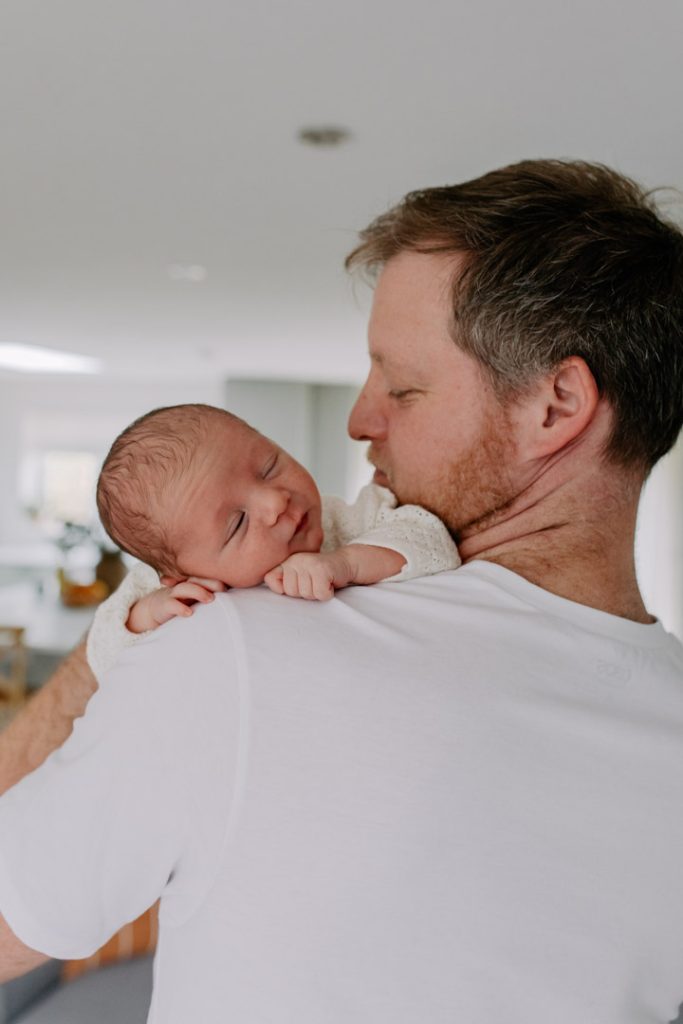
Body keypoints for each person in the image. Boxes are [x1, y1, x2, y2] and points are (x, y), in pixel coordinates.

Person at [1, 158, 683, 1023]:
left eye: (403, 386)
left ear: (555, 405)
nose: (362, 419)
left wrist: (121, 639)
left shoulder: (241, 644)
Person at [86, 402, 459, 676]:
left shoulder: (347, 521)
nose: (275, 502)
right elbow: (102, 656)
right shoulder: (167, 588)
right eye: (238, 523)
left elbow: (431, 542)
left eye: (269, 467)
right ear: (182, 574)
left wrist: (346, 562)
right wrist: (148, 613)